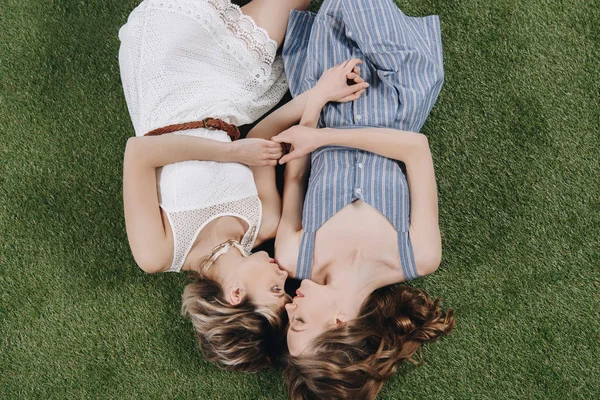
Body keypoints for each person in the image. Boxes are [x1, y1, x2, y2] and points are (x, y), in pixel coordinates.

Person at [117, 0, 316, 372]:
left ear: (236, 294)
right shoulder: (265, 223)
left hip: (166, 74)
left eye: (276, 291)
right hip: (231, 91)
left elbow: (139, 153)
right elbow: (262, 136)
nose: (285, 277)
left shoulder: (158, 252)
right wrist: (318, 95)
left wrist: (231, 154)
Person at [272, 0, 455, 396]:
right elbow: (415, 149)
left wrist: (317, 106)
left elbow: (297, 170)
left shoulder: (293, 255)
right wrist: (323, 140)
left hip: (329, 98)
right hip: (397, 99)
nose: (288, 308)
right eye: (299, 322)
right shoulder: (418, 255)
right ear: (340, 322)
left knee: (336, 11)